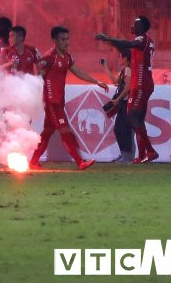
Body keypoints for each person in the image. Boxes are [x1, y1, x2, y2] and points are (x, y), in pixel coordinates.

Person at [29, 26, 107, 170]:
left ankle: (33, 162)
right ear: (54, 40)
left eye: (67, 39)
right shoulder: (49, 58)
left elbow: (78, 72)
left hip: (59, 101)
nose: (66, 42)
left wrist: (96, 81)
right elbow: (39, 76)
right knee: (65, 131)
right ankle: (80, 162)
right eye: (63, 39)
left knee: (47, 133)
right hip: (52, 102)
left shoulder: (67, 57)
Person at [96, 16, 158, 163]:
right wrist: (110, 41)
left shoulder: (142, 40)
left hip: (140, 83)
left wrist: (109, 38)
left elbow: (127, 44)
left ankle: (150, 151)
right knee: (138, 120)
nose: (132, 25)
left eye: (135, 24)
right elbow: (126, 46)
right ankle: (141, 155)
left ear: (142, 27)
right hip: (142, 83)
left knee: (131, 118)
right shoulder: (145, 42)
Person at [101, 49, 134, 162]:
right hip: (123, 103)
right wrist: (105, 67)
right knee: (119, 129)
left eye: (120, 56)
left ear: (125, 59)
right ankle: (124, 154)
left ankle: (127, 156)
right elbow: (114, 80)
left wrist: (118, 99)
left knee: (123, 129)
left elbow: (128, 87)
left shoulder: (128, 70)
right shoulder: (124, 70)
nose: (118, 58)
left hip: (126, 103)